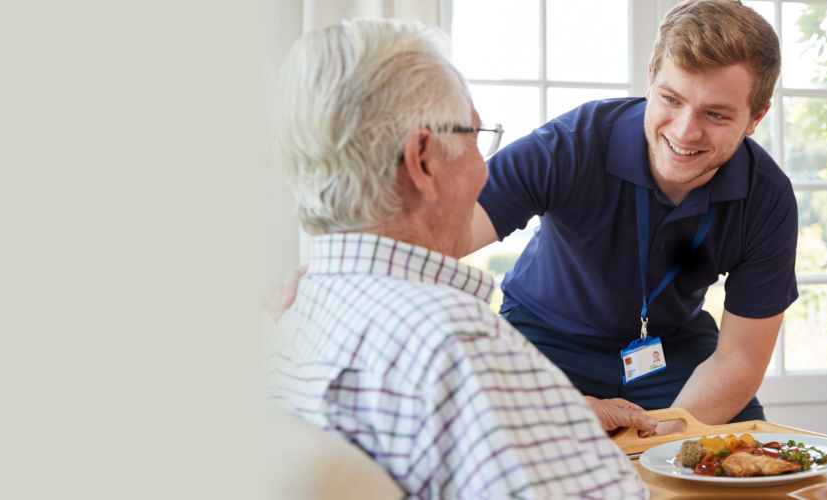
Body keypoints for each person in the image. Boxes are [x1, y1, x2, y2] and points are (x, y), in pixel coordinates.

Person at [267, 19, 650, 499]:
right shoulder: (454, 343)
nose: (484, 171)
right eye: (474, 137)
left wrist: (536, 413)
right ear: (423, 160)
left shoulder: (294, 318)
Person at [467, 0, 797, 435]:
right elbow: (426, 241)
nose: (684, 131)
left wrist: (659, 442)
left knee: (740, 455)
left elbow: (738, 359)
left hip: (671, 350)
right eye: (671, 99)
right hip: (540, 340)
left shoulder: (768, 198)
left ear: (756, 117)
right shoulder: (569, 146)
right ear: (651, 79)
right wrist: (556, 409)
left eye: (715, 114)